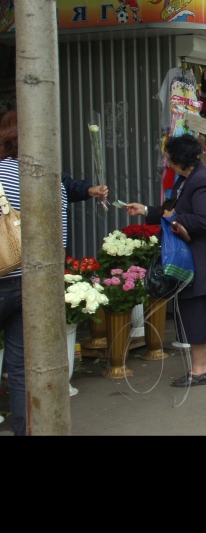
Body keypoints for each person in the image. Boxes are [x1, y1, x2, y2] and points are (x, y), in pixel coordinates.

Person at [126, 134, 206, 389]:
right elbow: (170, 209)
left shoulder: (201, 180)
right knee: (201, 311)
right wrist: (147, 211)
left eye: (169, 159)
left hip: (201, 258)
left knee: (197, 312)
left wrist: (176, 218)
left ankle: (199, 370)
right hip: (195, 257)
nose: (167, 163)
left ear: (179, 159)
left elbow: (205, 220)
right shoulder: (187, 179)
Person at [0, 111, 68, 436]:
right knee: (19, 367)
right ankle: (25, 430)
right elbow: (61, 238)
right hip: (31, 283)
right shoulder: (51, 178)